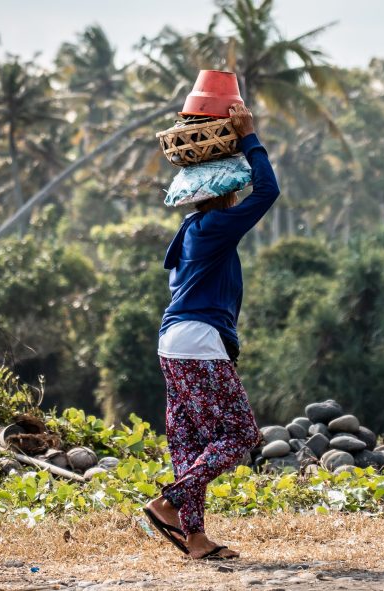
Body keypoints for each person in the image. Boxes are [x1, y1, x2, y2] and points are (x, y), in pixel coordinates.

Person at [144, 103, 280, 560]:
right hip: (198, 340)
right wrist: (249, 137)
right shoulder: (218, 226)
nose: (240, 200)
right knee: (242, 435)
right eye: (234, 193)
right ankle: (169, 500)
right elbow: (268, 193)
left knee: (191, 443)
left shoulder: (190, 229)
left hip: (172, 342)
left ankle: (196, 538)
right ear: (224, 194)